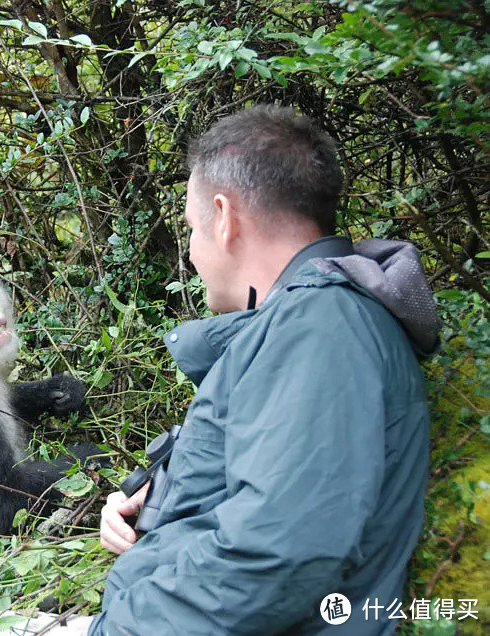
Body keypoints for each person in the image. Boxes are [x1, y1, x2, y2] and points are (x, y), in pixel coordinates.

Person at [94, 104, 438, 634]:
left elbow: (281, 554)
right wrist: (158, 494)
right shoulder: (308, 325)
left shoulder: (323, 327)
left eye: (191, 229)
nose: (190, 254)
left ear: (225, 217)